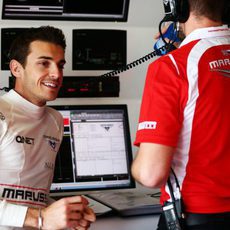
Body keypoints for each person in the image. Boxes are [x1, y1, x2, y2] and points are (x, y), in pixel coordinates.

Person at [131, 0, 230, 229]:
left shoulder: (172, 67)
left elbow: (150, 174)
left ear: (176, 8)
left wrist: (133, 166)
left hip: (196, 217)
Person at [0, 26, 96, 229]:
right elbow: (35, 213)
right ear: (16, 68)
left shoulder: (55, 120)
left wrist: (66, 213)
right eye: (44, 63)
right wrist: (40, 218)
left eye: (60, 65)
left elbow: (32, 197)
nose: (56, 74)